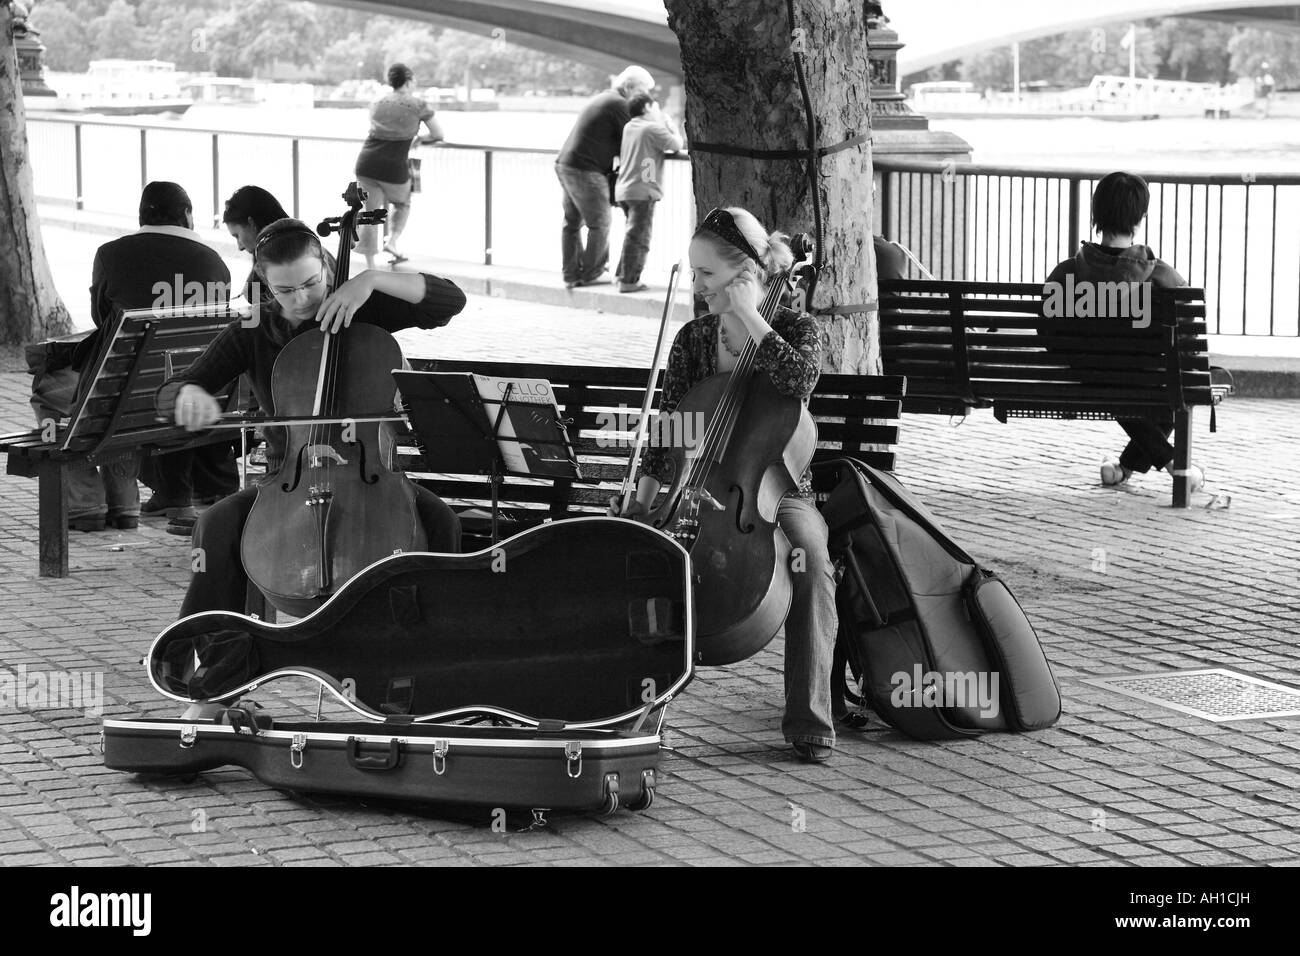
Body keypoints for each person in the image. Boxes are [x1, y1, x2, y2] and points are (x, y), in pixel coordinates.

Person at [610, 206, 838, 764]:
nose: (696, 286)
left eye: (707, 275)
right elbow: (672, 430)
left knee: (811, 557)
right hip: (698, 486)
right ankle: (641, 708)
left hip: (778, 491)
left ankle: (810, 720)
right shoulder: (693, 340)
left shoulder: (795, 328)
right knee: (651, 558)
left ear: (744, 275)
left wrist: (752, 319)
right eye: (692, 273)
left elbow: (801, 380)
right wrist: (641, 502)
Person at [158, 217, 467, 617]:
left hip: (372, 479)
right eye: (285, 290)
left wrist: (372, 279)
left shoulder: (361, 307)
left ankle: (432, 641)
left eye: (311, 283)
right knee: (215, 525)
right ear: (265, 285)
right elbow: (177, 388)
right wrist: (187, 394)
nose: (302, 298)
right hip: (287, 482)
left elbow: (449, 301)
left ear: (325, 264)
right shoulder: (253, 330)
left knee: (442, 521)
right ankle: (215, 650)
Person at [30, 181, 232, 533]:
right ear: (186, 215)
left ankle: (87, 503)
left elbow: (101, 318)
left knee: (48, 391)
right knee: (119, 391)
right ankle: (122, 504)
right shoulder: (213, 262)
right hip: (189, 394)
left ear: (141, 215)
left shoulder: (111, 254)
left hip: (120, 397)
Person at [1044, 171, 1203, 492]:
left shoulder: (1064, 274)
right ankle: (1176, 466)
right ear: (1140, 218)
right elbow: (1188, 344)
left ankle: (1125, 468)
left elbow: (1049, 335)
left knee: (1113, 381)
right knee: (1173, 389)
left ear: (1095, 215)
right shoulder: (1164, 278)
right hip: (1147, 378)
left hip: (1087, 377)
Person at [555, 65, 655, 289]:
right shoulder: (619, 104)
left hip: (566, 163)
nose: (646, 96)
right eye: (643, 89)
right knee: (600, 222)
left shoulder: (604, 98)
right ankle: (593, 273)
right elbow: (634, 137)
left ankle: (571, 274)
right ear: (629, 87)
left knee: (571, 223)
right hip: (586, 169)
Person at [354, 63, 444, 270]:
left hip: (366, 163)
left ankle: (370, 266)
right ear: (409, 80)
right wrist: (420, 138)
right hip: (394, 167)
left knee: (369, 212)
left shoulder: (377, 102)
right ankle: (391, 242)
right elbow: (439, 134)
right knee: (402, 203)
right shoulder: (418, 104)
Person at [613, 92, 682, 293]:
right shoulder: (652, 128)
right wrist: (671, 126)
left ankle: (621, 276)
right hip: (643, 191)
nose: (658, 111)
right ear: (646, 108)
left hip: (624, 189)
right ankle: (629, 281)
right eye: (655, 107)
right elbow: (677, 145)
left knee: (631, 235)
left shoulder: (629, 126)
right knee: (639, 238)